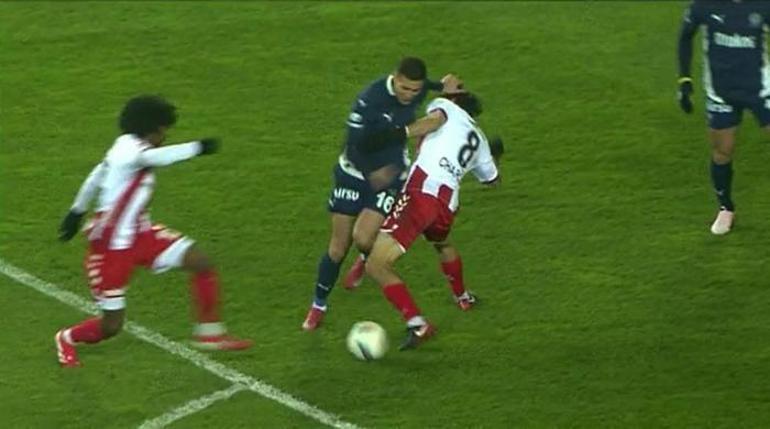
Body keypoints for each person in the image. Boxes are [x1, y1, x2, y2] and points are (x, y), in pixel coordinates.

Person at [55, 95, 252, 368]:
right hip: (112, 249)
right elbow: (155, 158)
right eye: (163, 129)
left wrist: (76, 212)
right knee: (112, 326)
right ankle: (66, 337)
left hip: (142, 235)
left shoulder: (124, 145)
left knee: (202, 263)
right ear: (150, 129)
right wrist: (198, 147)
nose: (165, 135)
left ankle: (209, 334)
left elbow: (96, 175)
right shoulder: (133, 152)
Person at [301, 57, 462, 331]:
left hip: (390, 176)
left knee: (364, 237)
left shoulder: (416, 89)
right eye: (404, 88)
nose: (409, 95)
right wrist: (372, 173)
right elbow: (354, 145)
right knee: (338, 247)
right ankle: (319, 305)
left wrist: (443, 85)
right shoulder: (369, 100)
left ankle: (366, 260)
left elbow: (427, 86)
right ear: (394, 78)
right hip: (354, 173)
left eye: (415, 90)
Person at [364, 91, 503, 350]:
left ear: (456, 101)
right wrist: (495, 156)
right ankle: (463, 297)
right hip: (447, 206)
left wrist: (397, 134)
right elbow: (492, 179)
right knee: (441, 243)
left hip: (421, 194)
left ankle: (418, 324)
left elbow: (433, 121)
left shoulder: (446, 106)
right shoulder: (480, 140)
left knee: (376, 265)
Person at [677, 0, 770, 234]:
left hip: (760, 89)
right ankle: (726, 207)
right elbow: (686, 36)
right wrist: (684, 80)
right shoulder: (705, 5)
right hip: (720, 92)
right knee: (722, 151)